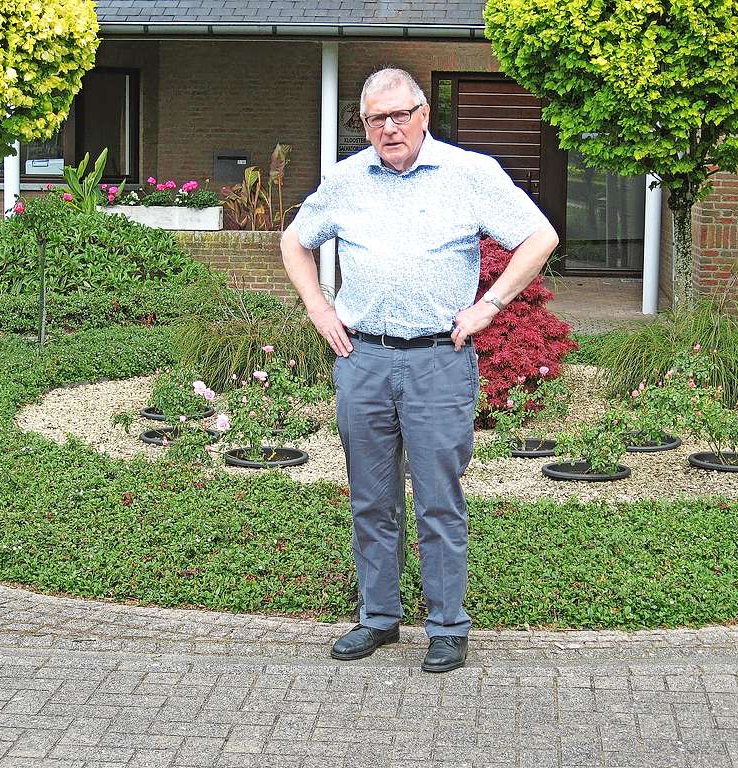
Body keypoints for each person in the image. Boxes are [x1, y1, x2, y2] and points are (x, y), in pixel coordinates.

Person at [281, 68, 558, 672]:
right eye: (376, 119)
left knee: (438, 499)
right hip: (364, 359)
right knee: (370, 497)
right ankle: (378, 619)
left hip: (439, 359)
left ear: (424, 112)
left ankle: (447, 626)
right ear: (364, 126)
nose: (389, 127)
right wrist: (317, 306)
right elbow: (295, 241)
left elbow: (540, 236)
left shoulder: (471, 174)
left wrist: (491, 305)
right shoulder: (346, 180)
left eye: (400, 114)